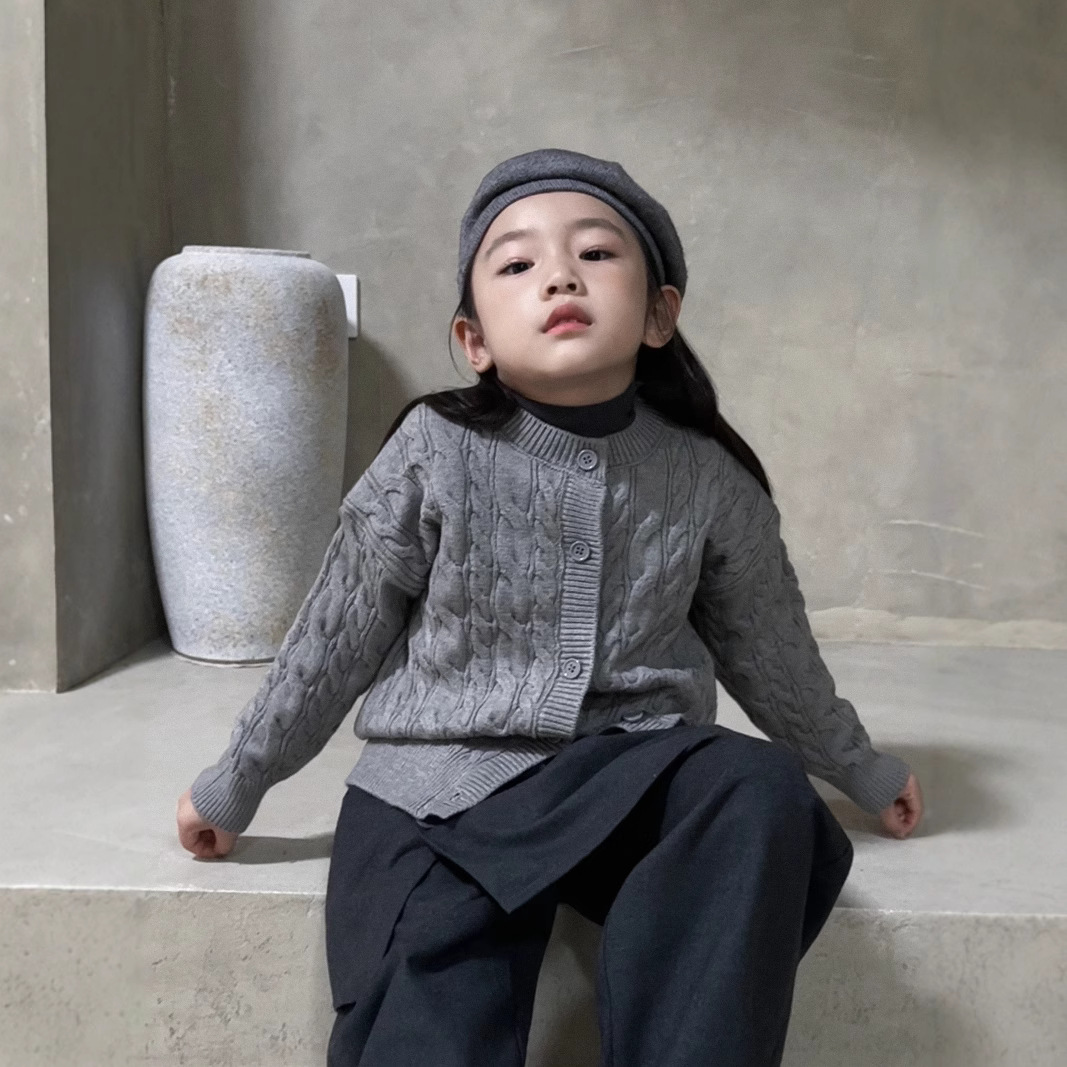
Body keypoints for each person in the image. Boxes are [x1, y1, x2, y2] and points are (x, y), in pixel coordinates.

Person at [176, 147, 924, 1066]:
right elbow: (335, 638)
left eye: (596, 254)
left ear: (659, 314)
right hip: (441, 792)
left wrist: (859, 767)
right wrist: (240, 777)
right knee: (427, 1007)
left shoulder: (706, 478)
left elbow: (771, 652)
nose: (560, 275)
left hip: (629, 774)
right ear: (474, 341)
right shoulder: (432, 449)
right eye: (517, 263)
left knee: (757, 789)